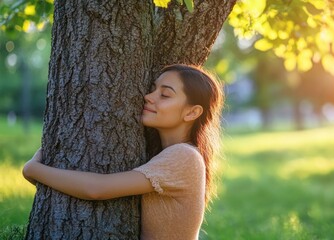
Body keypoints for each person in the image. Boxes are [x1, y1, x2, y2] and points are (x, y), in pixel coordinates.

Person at [22, 64, 224, 240]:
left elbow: (97, 189)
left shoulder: (183, 156)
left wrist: (33, 170)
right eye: (153, 89)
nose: (148, 97)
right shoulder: (169, 154)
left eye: (165, 95)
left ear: (192, 112)